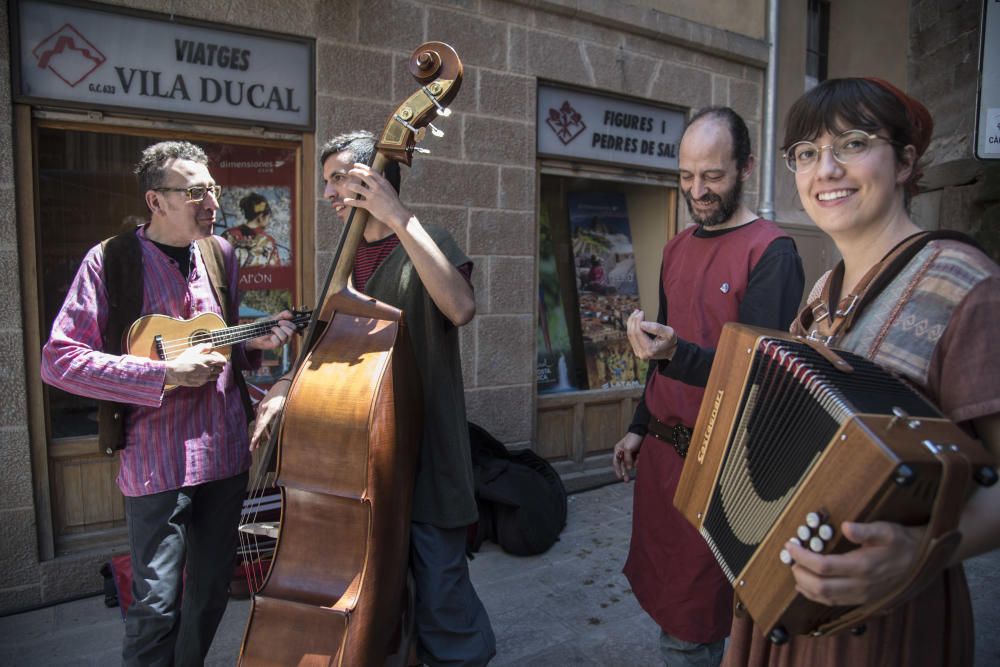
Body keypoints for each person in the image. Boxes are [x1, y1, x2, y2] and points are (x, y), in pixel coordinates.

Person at [723, 78, 1000, 667]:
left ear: (904, 162)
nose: (825, 169)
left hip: (886, 622)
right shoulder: (822, 292)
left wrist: (923, 549)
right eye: (806, 153)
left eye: (851, 143)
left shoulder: (968, 285)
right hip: (783, 602)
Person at [40, 141, 297, 667]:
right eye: (196, 191)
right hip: (156, 461)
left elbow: (214, 342)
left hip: (225, 451)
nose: (212, 202)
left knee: (209, 595)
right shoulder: (110, 260)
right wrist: (162, 373)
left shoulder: (221, 254)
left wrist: (254, 343)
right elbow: (59, 360)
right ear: (156, 201)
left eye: (213, 189)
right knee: (157, 602)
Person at [252, 130, 496, 666]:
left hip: (428, 455)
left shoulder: (429, 240)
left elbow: (460, 307)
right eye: (327, 183)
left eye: (340, 178)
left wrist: (399, 215)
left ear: (374, 178)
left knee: (442, 600)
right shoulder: (343, 262)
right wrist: (280, 388)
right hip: (362, 467)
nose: (331, 193)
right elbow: (323, 349)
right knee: (382, 607)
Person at [611, 107, 805, 667]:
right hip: (664, 465)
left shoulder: (772, 251)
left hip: (722, 470)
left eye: (712, 176)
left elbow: (759, 375)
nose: (697, 189)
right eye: (686, 176)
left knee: (694, 625)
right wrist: (637, 428)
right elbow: (664, 355)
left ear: (745, 166)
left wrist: (676, 353)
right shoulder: (675, 247)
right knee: (665, 601)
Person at [222, 192, 281, 267]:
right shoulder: (269, 241)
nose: (269, 220)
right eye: (269, 216)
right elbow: (275, 272)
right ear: (261, 216)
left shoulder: (228, 235)